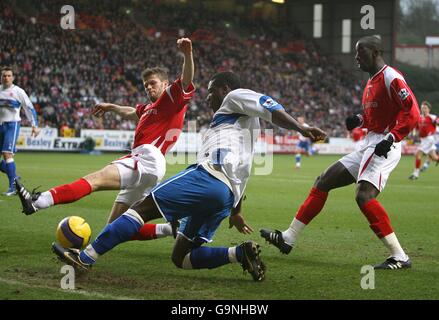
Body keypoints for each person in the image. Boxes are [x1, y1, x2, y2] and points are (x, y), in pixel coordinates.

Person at [51, 71, 327, 281]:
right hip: (226, 196)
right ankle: (238, 254)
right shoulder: (244, 131)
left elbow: (270, 106)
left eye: (210, 92)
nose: (206, 98)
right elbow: (242, 173)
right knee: (180, 257)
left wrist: (300, 129)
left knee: (141, 208)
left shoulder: (234, 96)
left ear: (224, 89)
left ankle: (86, 256)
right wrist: (236, 211)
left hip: (208, 177)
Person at [260, 36, 420, 270]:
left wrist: (392, 137)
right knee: (323, 180)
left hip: (385, 144)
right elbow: (380, 114)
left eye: (360, 52)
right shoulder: (371, 82)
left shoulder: (391, 77)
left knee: (363, 196)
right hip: (370, 142)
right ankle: (288, 238)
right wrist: (360, 119)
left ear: (375, 52)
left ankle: (400, 256)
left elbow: (412, 112)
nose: (356, 57)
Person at [16, 38, 195, 231]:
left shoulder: (171, 99)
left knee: (95, 180)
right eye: (145, 85)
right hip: (149, 166)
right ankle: (170, 230)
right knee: (114, 226)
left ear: (165, 84)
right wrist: (111, 107)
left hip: (147, 158)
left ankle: (38, 201)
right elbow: (129, 111)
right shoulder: (149, 108)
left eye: (153, 83)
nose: (149, 88)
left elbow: (186, 81)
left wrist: (187, 53)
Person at [0, 67, 40, 196]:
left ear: (13, 77)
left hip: (12, 125)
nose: (6, 78)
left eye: (9, 75)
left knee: (7, 154)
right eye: (4, 76)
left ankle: (13, 187)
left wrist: (34, 125)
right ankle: (15, 177)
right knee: (6, 157)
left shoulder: (18, 91)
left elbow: (29, 108)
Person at [408, 101, 438, 180]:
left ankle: (416, 173)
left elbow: (437, 122)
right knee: (435, 158)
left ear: (429, 109)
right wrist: (414, 135)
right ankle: (416, 173)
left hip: (429, 139)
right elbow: (417, 129)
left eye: (425, 108)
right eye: (422, 108)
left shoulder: (433, 117)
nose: (423, 109)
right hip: (423, 140)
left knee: (418, 154)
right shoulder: (419, 118)